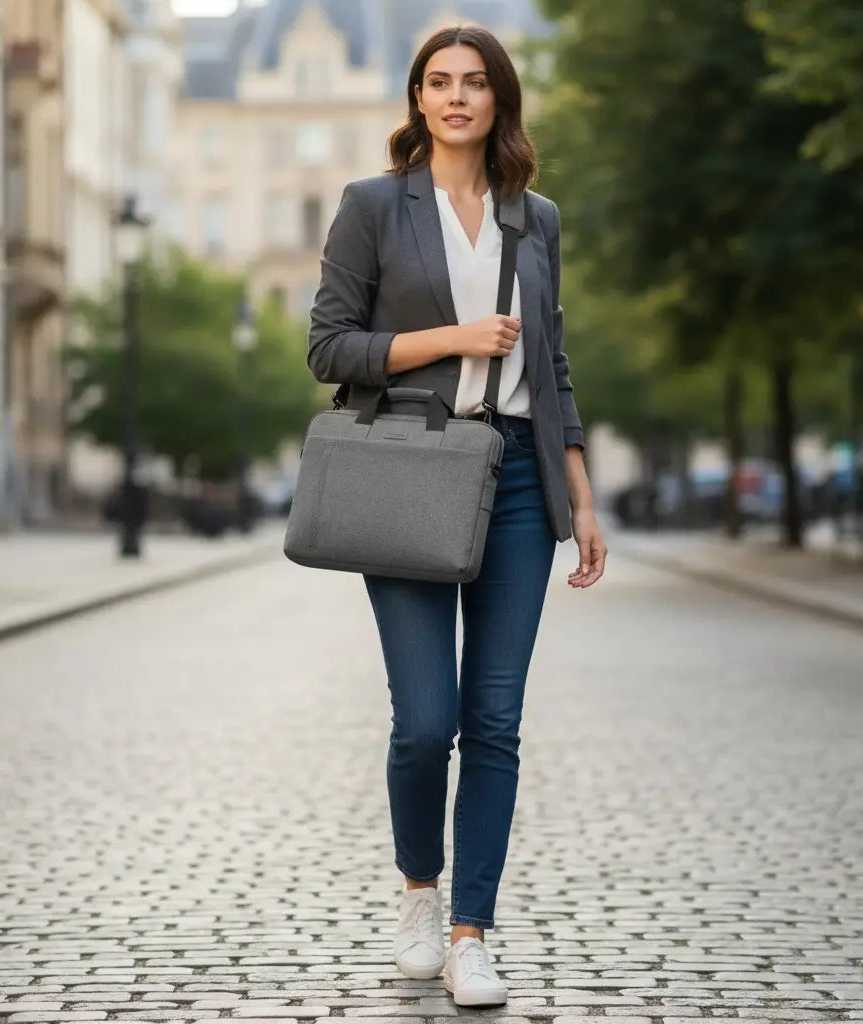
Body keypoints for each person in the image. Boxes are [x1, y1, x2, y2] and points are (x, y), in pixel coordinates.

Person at [306, 23, 607, 1009]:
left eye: (474, 82)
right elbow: (329, 347)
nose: (456, 97)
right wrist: (453, 337)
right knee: (425, 721)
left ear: (498, 99)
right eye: (438, 82)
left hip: (518, 476)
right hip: (411, 469)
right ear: (417, 99)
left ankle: (473, 933)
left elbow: (550, 365)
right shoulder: (372, 206)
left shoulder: (536, 218)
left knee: (494, 719)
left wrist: (579, 495)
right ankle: (419, 894)